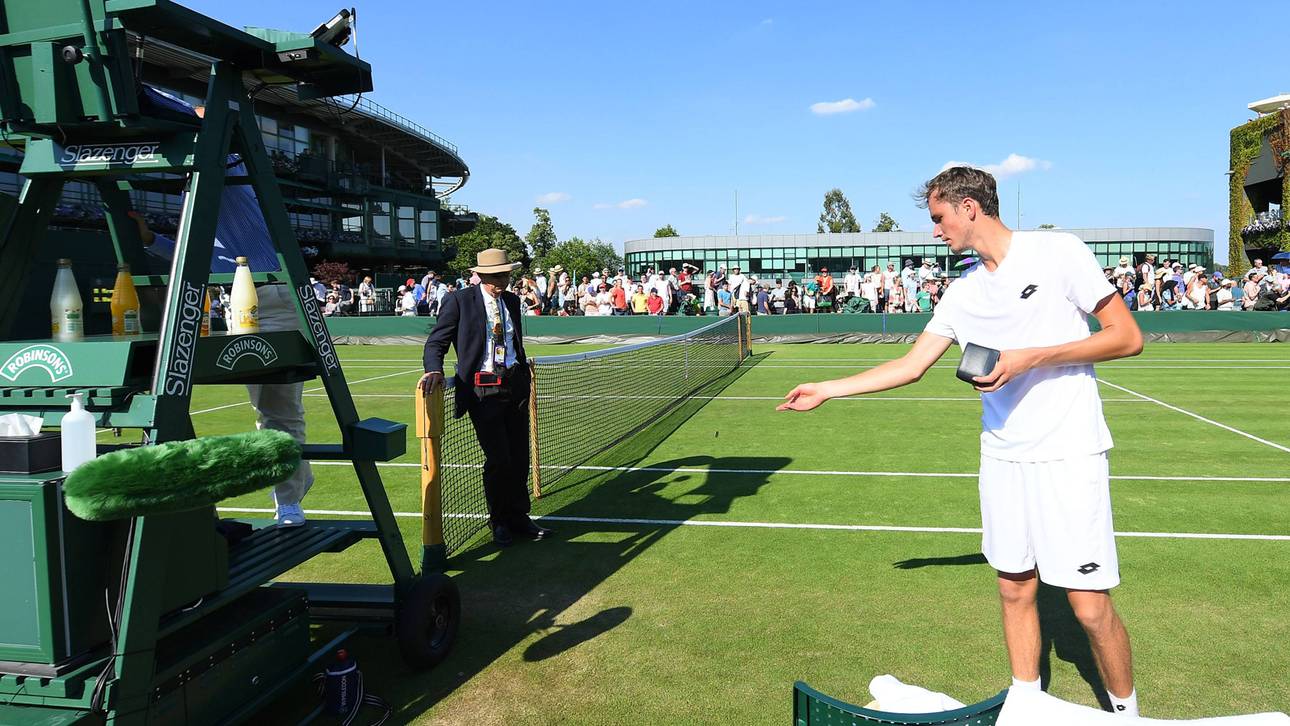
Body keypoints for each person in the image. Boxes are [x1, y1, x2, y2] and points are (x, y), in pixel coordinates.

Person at [778, 166, 1143, 717]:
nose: (935, 231)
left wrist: (1027, 358)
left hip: (1069, 452)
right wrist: (827, 388)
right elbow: (910, 365)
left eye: (938, 218)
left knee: (1088, 606)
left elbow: (1126, 337)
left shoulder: (1059, 252)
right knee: (1014, 587)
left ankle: (1128, 714)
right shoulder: (961, 294)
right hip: (1001, 456)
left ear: (969, 207)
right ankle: (1024, 704)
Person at [420, 248, 552, 546]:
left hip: (515, 385)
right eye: (494, 276)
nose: (501, 281)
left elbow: (513, 341)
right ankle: (499, 522)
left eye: (505, 275)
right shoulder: (459, 300)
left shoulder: (512, 301)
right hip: (483, 391)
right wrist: (433, 370)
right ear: (479, 275)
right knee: (499, 459)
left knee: (519, 458)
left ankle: (519, 517)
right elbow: (436, 342)